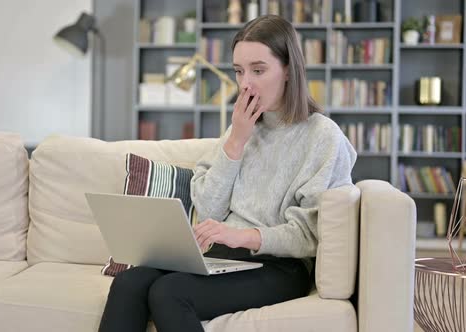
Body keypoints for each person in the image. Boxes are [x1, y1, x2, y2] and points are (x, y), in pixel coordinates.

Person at [98, 14, 356, 332]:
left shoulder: (323, 137)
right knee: (129, 282)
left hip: (280, 266)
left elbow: (308, 236)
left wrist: (242, 236)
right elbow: (208, 209)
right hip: (223, 256)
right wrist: (236, 141)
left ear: (289, 69)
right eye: (238, 71)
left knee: (170, 292)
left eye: (258, 70)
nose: (245, 83)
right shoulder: (241, 127)